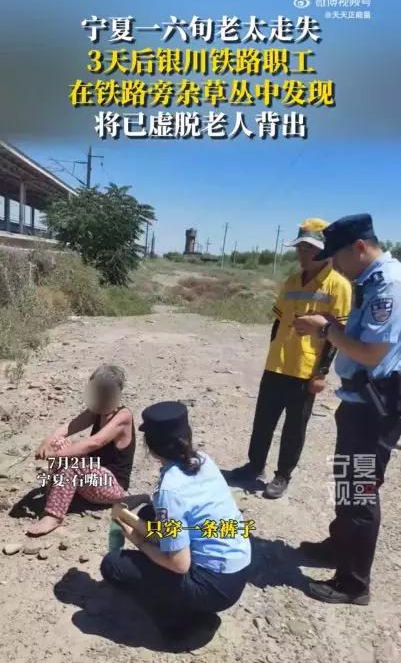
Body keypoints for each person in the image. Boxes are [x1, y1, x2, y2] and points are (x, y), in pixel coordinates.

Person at [293, 214, 401, 605]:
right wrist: (333, 325)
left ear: (359, 247)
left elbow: (372, 353)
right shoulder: (368, 281)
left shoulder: (389, 284)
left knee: (360, 492)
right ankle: (339, 546)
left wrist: (325, 330)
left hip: (375, 407)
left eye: (337, 257)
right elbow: (359, 336)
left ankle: (354, 584)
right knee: (347, 484)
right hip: (358, 402)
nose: (334, 266)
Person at [101, 401, 251, 641]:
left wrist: (139, 540)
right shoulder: (203, 460)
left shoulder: (170, 491)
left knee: (114, 565)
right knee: (149, 513)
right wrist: (142, 522)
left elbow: (179, 565)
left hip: (213, 586)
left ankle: (181, 623)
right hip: (236, 570)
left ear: (151, 448)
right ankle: (191, 604)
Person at [230, 218, 352, 499]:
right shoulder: (292, 281)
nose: (302, 254)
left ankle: (283, 474)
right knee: (263, 420)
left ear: (325, 250)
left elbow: (336, 334)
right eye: (300, 248)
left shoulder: (338, 286)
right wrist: (273, 351)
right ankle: (255, 465)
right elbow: (278, 321)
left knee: (294, 427)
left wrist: (321, 373)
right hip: (277, 363)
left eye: (309, 248)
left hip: (306, 369)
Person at [27, 364, 135, 537]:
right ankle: (56, 495)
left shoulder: (123, 416)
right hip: (92, 477)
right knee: (59, 442)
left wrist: (54, 455)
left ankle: (54, 516)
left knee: (74, 462)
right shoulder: (97, 410)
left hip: (113, 486)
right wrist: (47, 442)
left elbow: (94, 443)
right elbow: (69, 427)